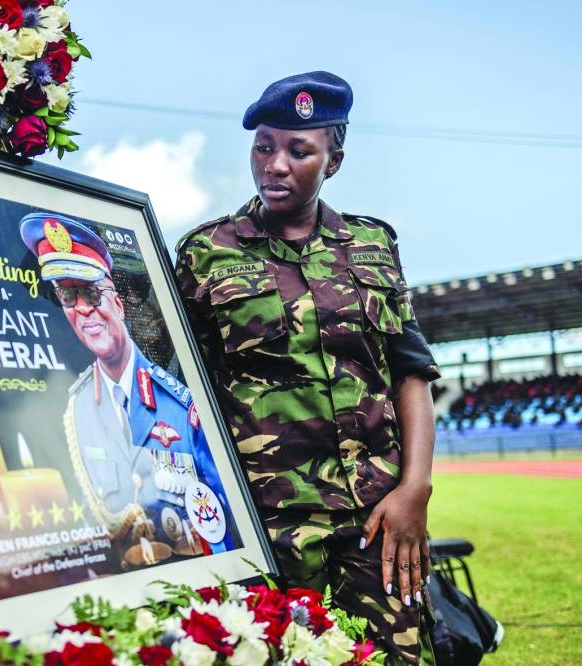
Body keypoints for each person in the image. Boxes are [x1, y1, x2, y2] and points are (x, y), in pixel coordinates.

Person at [175, 71, 441, 664]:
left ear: (334, 161)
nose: (275, 164)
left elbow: (411, 372)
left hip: (379, 518)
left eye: (299, 150)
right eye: (264, 146)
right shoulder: (204, 252)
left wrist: (415, 489)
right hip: (265, 524)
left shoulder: (374, 245)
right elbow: (185, 388)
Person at [20, 212, 231, 556]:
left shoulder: (181, 406)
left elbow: (222, 525)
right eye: (67, 298)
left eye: (90, 293)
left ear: (117, 303)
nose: (83, 309)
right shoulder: (77, 410)